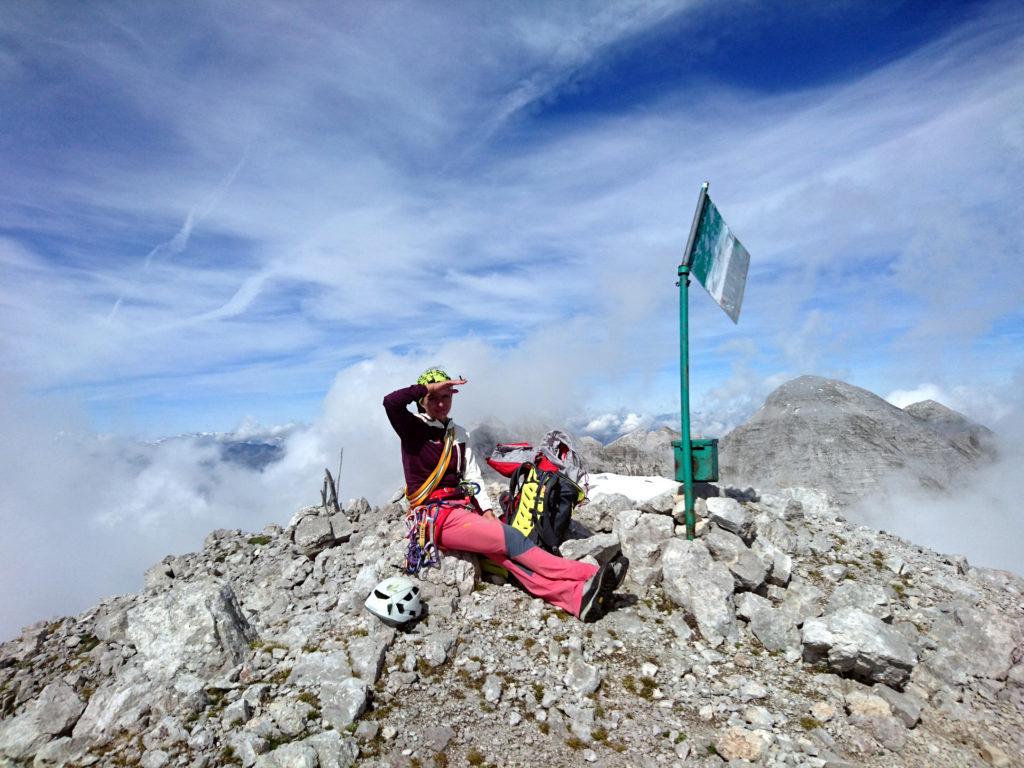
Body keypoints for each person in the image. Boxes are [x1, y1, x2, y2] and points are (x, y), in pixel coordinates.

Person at [383, 368, 626, 621]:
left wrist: (487, 512)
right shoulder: (411, 429)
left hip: (461, 511)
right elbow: (391, 402)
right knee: (511, 538)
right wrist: (426, 389)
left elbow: (472, 476)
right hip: (436, 518)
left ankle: (576, 597)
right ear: (422, 401)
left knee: (507, 560)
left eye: (446, 396)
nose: (441, 403)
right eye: (433, 398)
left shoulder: (457, 434)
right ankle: (586, 574)